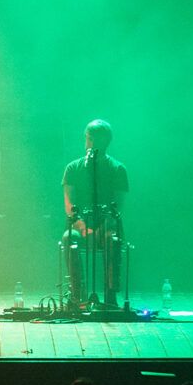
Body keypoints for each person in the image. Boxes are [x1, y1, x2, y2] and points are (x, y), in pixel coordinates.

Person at [60, 119, 129, 308]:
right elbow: (69, 205)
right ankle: (78, 295)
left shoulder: (118, 169)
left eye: (96, 139)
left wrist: (100, 229)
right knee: (69, 238)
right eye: (90, 138)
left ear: (106, 141)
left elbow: (117, 208)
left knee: (112, 239)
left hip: (106, 227)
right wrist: (83, 228)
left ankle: (110, 296)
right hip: (79, 227)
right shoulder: (73, 168)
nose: (91, 142)